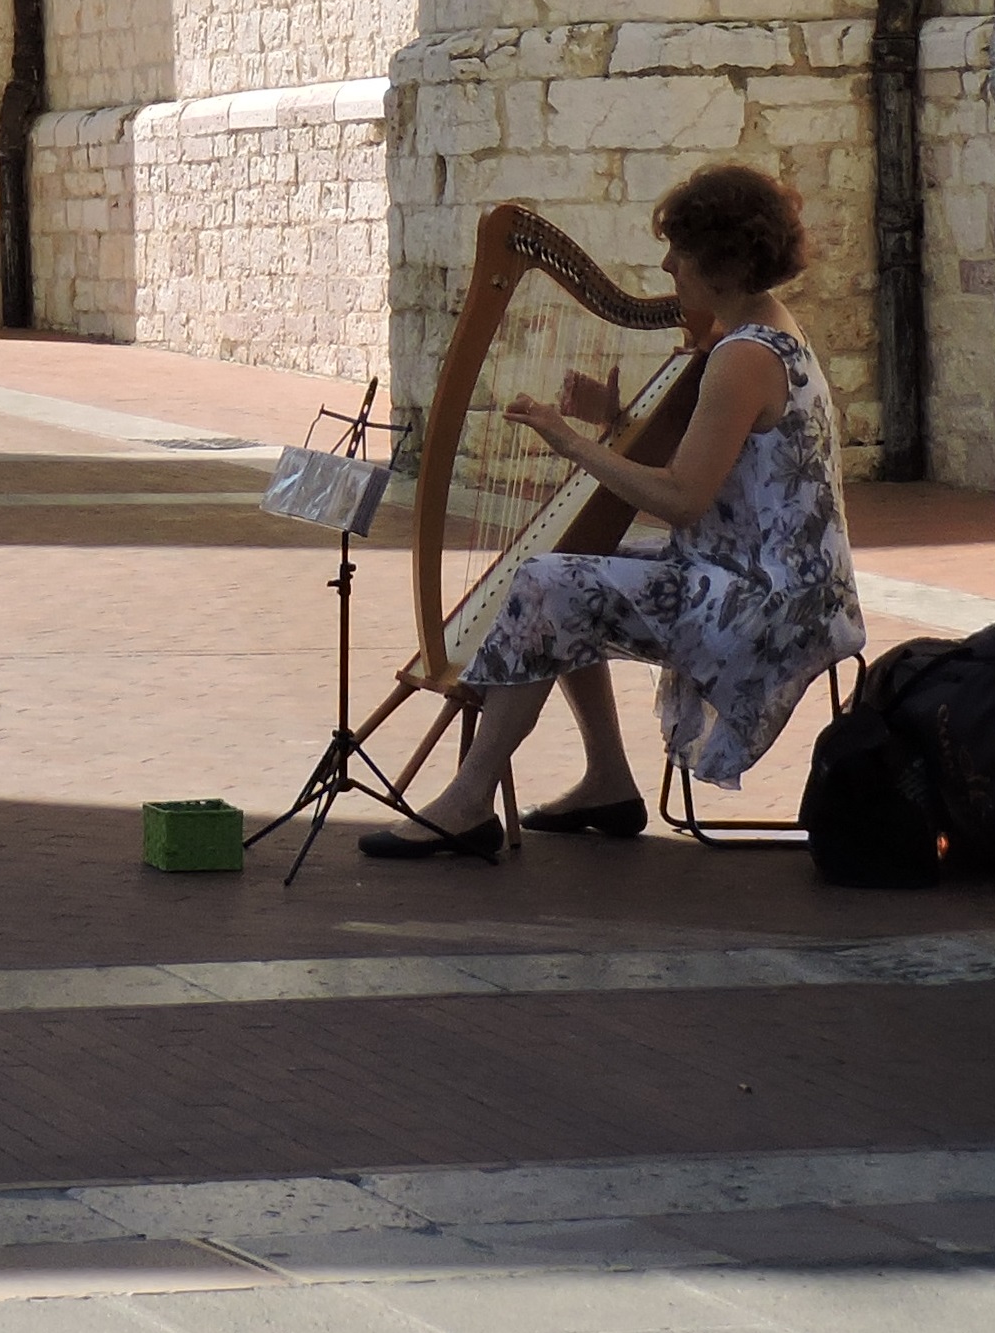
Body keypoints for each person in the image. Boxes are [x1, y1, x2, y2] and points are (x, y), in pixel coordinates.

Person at [360, 163, 866, 860]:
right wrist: (615, 417)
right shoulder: (762, 336)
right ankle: (606, 779)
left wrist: (569, 440)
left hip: (767, 603)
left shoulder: (741, 357)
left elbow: (681, 496)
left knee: (547, 583)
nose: (666, 266)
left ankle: (470, 797)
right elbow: (718, 464)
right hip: (772, 578)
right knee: (567, 573)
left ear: (721, 260)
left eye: (680, 251)